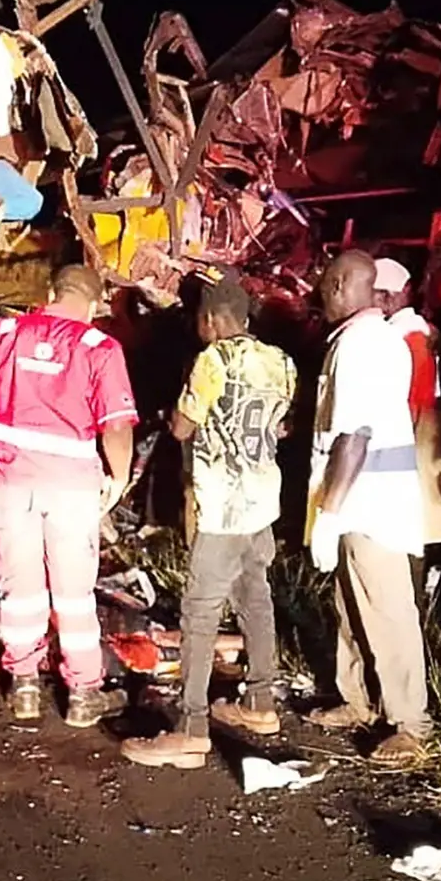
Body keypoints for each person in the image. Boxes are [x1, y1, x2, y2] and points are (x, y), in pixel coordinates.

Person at [120, 271, 297, 769]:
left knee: (199, 614)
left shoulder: (212, 360)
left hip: (221, 505)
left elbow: (181, 427)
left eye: (200, 319)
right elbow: (281, 427)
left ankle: (190, 729)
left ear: (215, 319)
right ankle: (262, 702)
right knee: (255, 599)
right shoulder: (280, 361)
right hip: (263, 503)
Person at [0, 265, 139, 727]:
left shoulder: (6, 333)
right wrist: (118, 477)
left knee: (20, 589)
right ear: (95, 306)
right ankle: (82, 695)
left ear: (51, 292)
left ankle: (26, 689)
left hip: (12, 483)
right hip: (72, 489)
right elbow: (116, 426)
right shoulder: (101, 348)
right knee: (73, 594)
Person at [305, 250, 431, 764]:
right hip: (364, 498)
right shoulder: (373, 339)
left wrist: (329, 515)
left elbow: (354, 437)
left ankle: (411, 723)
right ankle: (355, 698)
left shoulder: (360, 345)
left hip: (367, 503)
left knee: (387, 611)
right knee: (352, 607)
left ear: (339, 286)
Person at [375, 258, 441, 594]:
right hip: (421, 446)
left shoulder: (406, 340)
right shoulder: (419, 335)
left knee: (403, 554)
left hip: (408, 450)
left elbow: (408, 406)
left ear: (388, 297)